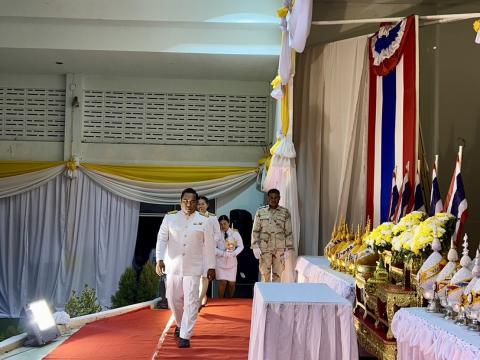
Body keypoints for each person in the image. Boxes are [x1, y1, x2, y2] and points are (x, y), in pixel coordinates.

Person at [155, 188, 216, 348]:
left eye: (192, 201)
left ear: (197, 203)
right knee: (173, 299)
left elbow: (210, 246)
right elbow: (161, 238)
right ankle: (181, 323)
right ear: (180, 201)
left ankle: (185, 335)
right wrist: (159, 259)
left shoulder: (205, 220)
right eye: (185, 201)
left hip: (194, 266)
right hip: (173, 266)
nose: (189, 204)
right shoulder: (170, 218)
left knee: (191, 301)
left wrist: (211, 266)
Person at [251, 188, 293, 282]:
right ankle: (265, 296)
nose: (273, 200)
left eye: (276, 197)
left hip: (279, 249)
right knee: (265, 275)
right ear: (268, 198)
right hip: (264, 248)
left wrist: (289, 248)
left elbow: (288, 231)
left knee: (277, 276)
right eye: (271, 197)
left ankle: (275, 296)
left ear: (279, 198)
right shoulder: (260, 212)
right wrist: (255, 246)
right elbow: (255, 230)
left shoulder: (285, 212)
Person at [196, 195, 222, 309]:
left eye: (203, 204)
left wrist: (210, 242)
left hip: (208, 251)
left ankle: (199, 301)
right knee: (196, 276)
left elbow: (218, 234)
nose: (200, 206)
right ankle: (203, 295)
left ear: (207, 205)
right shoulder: (194, 216)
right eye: (199, 204)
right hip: (195, 251)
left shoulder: (212, 218)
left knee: (205, 276)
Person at [215, 215, 244, 298]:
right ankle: (220, 301)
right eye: (221, 224)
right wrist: (222, 253)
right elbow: (213, 248)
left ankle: (229, 300)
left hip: (232, 262)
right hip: (220, 262)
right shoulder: (217, 234)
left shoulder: (235, 233)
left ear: (229, 223)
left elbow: (241, 246)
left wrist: (234, 253)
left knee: (231, 283)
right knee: (222, 283)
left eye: (225, 223)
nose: (223, 226)